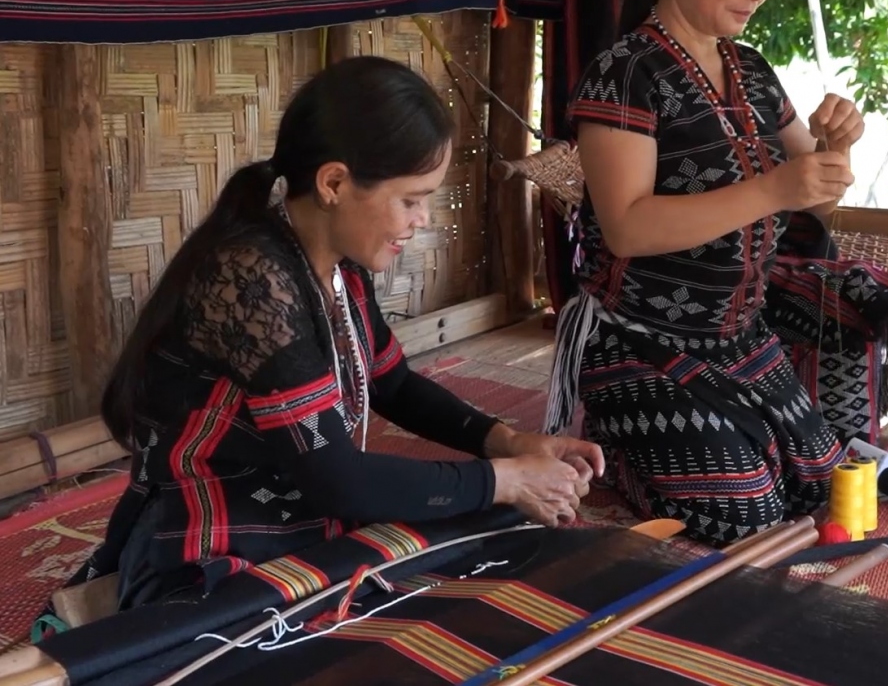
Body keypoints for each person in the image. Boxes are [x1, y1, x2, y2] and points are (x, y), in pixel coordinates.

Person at [48, 56, 603, 615]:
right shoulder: (250, 279)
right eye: (411, 199)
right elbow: (336, 477)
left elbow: (395, 385)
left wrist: (512, 445)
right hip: (215, 531)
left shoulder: (338, 267)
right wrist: (503, 478)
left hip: (299, 508)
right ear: (334, 182)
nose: (424, 219)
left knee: (487, 531)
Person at [543, 0, 869, 546]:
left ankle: (727, 441)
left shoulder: (751, 70)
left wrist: (834, 152)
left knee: (818, 482)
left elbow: (821, 196)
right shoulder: (628, 71)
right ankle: (617, 440)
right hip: (639, 338)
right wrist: (778, 187)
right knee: (743, 512)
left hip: (739, 336)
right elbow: (627, 226)